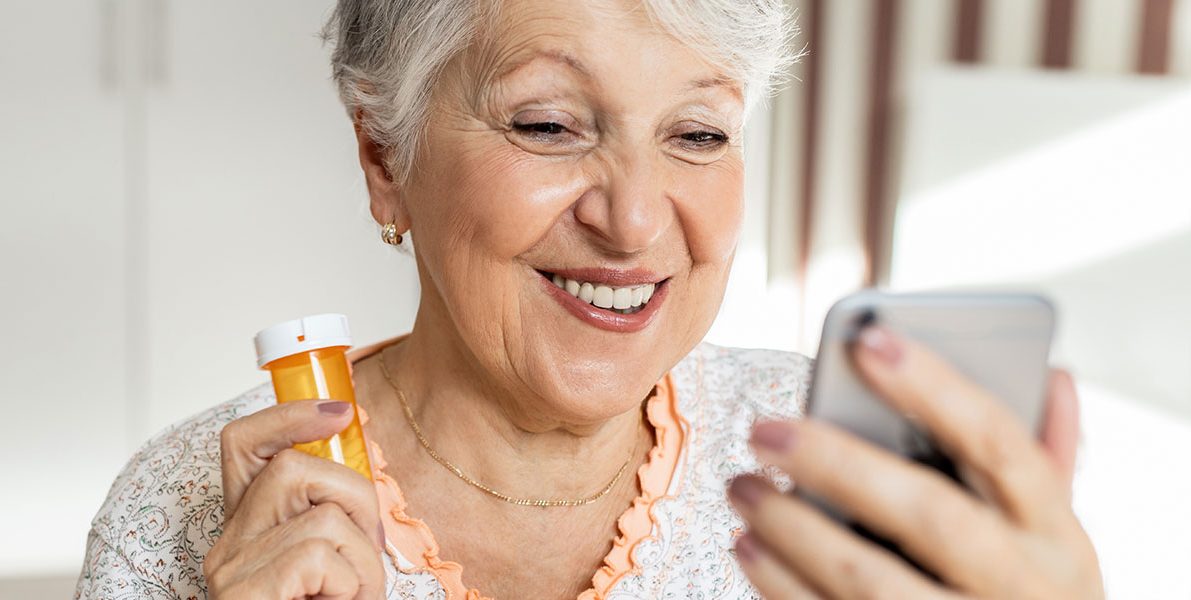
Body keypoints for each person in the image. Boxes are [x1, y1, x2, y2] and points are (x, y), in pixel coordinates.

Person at [75, 0, 1103, 598]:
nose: (637, 220)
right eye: (549, 124)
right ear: (384, 157)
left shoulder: (835, 469)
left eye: (698, 134)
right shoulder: (178, 512)